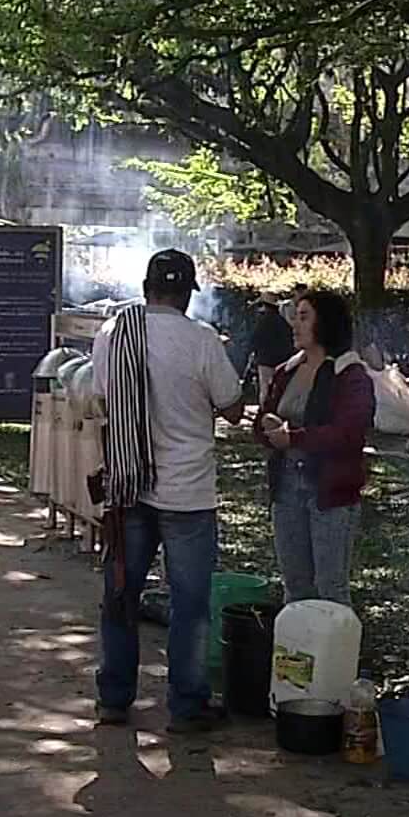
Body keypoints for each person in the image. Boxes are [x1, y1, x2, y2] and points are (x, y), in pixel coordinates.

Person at [92, 250, 244, 734]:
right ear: (186, 295)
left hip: (128, 486)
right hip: (188, 493)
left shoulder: (113, 334)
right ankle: (186, 705)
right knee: (190, 606)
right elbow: (234, 408)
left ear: (145, 287)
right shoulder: (202, 341)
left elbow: (100, 397)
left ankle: (114, 699)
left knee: (121, 595)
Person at [255, 290, 373, 604]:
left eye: (304, 316)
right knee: (295, 584)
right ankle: (295, 652)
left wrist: (295, 438)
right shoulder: (286, 371)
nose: (295, 323)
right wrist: (266, 427)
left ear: (327, 323)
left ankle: (333, 651)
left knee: (329, 587)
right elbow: (263, 419)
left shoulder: (349, 374)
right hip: (286, 487)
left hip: (330, 491)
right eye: (295, 315)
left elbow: (349, 433)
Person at [249, 291, 296, 403]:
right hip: (282, 360)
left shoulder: (262, 321)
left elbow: (255, 340)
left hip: (265, 361)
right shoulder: (282, 322)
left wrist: (253, 354)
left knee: (265, 389)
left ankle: (265, 410)